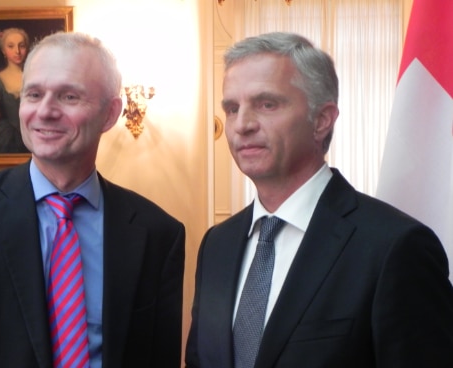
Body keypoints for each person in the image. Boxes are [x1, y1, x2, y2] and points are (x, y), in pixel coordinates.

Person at [0, 32, 185, 368]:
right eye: (33, 94)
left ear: (110, 113)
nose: (45, 111)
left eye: (69, 96)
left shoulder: (157, 233)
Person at [185, 32, 453, 368]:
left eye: (267, 104)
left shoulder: (394, 246)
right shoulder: (216, 244)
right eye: (232, 108)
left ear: (322, 120)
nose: (242, 125)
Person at [0, 27, 30, 154]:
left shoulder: (34, 77)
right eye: (11, 46)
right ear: (3, 50)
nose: (17, 51)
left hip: (31, 141)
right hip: (6, 143)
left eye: (21, 46)